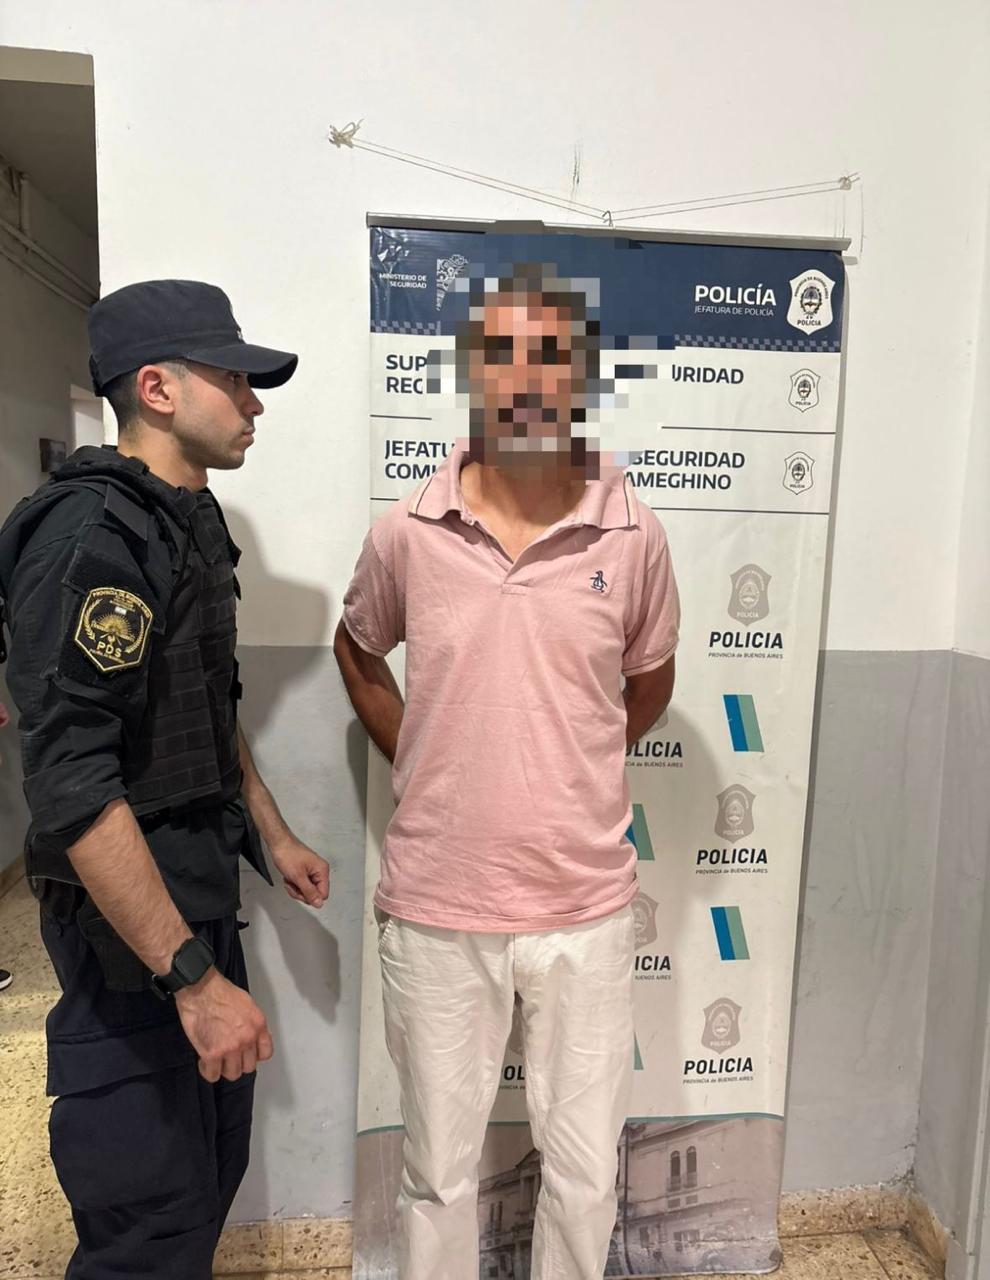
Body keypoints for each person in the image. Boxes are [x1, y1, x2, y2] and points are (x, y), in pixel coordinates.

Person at [335, 262, 680, 1279]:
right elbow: (358, 648)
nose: (527, 377)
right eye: (503, 354)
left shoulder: (636, 530)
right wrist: (431, 752)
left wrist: (569, 758)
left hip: (585, 908)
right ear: (472, 372)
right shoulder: (407, 530)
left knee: (584, 1175)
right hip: (440, 908)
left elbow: (649, 681)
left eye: (551, 354)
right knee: (438, 1175)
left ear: (583, 374)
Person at [0, 280, 330, 1280]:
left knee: (202, 1179)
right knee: (146, 1219)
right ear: (158, 388)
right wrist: (189, 978)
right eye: (236, 380)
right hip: (129, 929)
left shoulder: (185, 519)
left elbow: (203, 701)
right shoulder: (92, 534)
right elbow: (72, 782)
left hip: (193, 884)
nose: (254, 402)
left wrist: (271, 830)